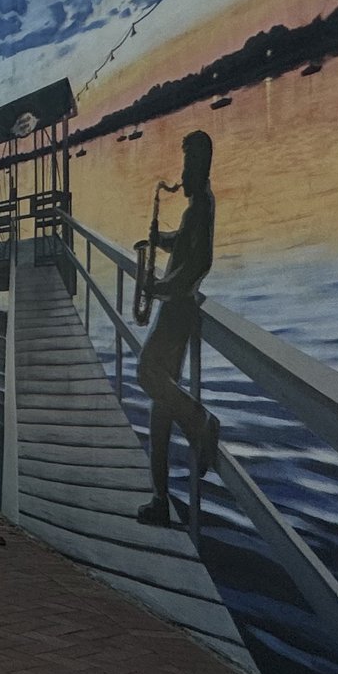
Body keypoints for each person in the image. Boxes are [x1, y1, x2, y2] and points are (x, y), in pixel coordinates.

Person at [136, 129, 221, 526]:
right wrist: (159, 238)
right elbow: (186, 246)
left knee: (145, 374)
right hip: (174, 311)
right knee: (158, 413)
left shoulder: (201, 206)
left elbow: (198, 264)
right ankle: (159, 499)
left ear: (200, 165)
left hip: (176, 313)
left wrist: (159, 288)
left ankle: (198, 420)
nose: (182, 173)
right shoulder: (196, 210)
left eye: (187, 164)